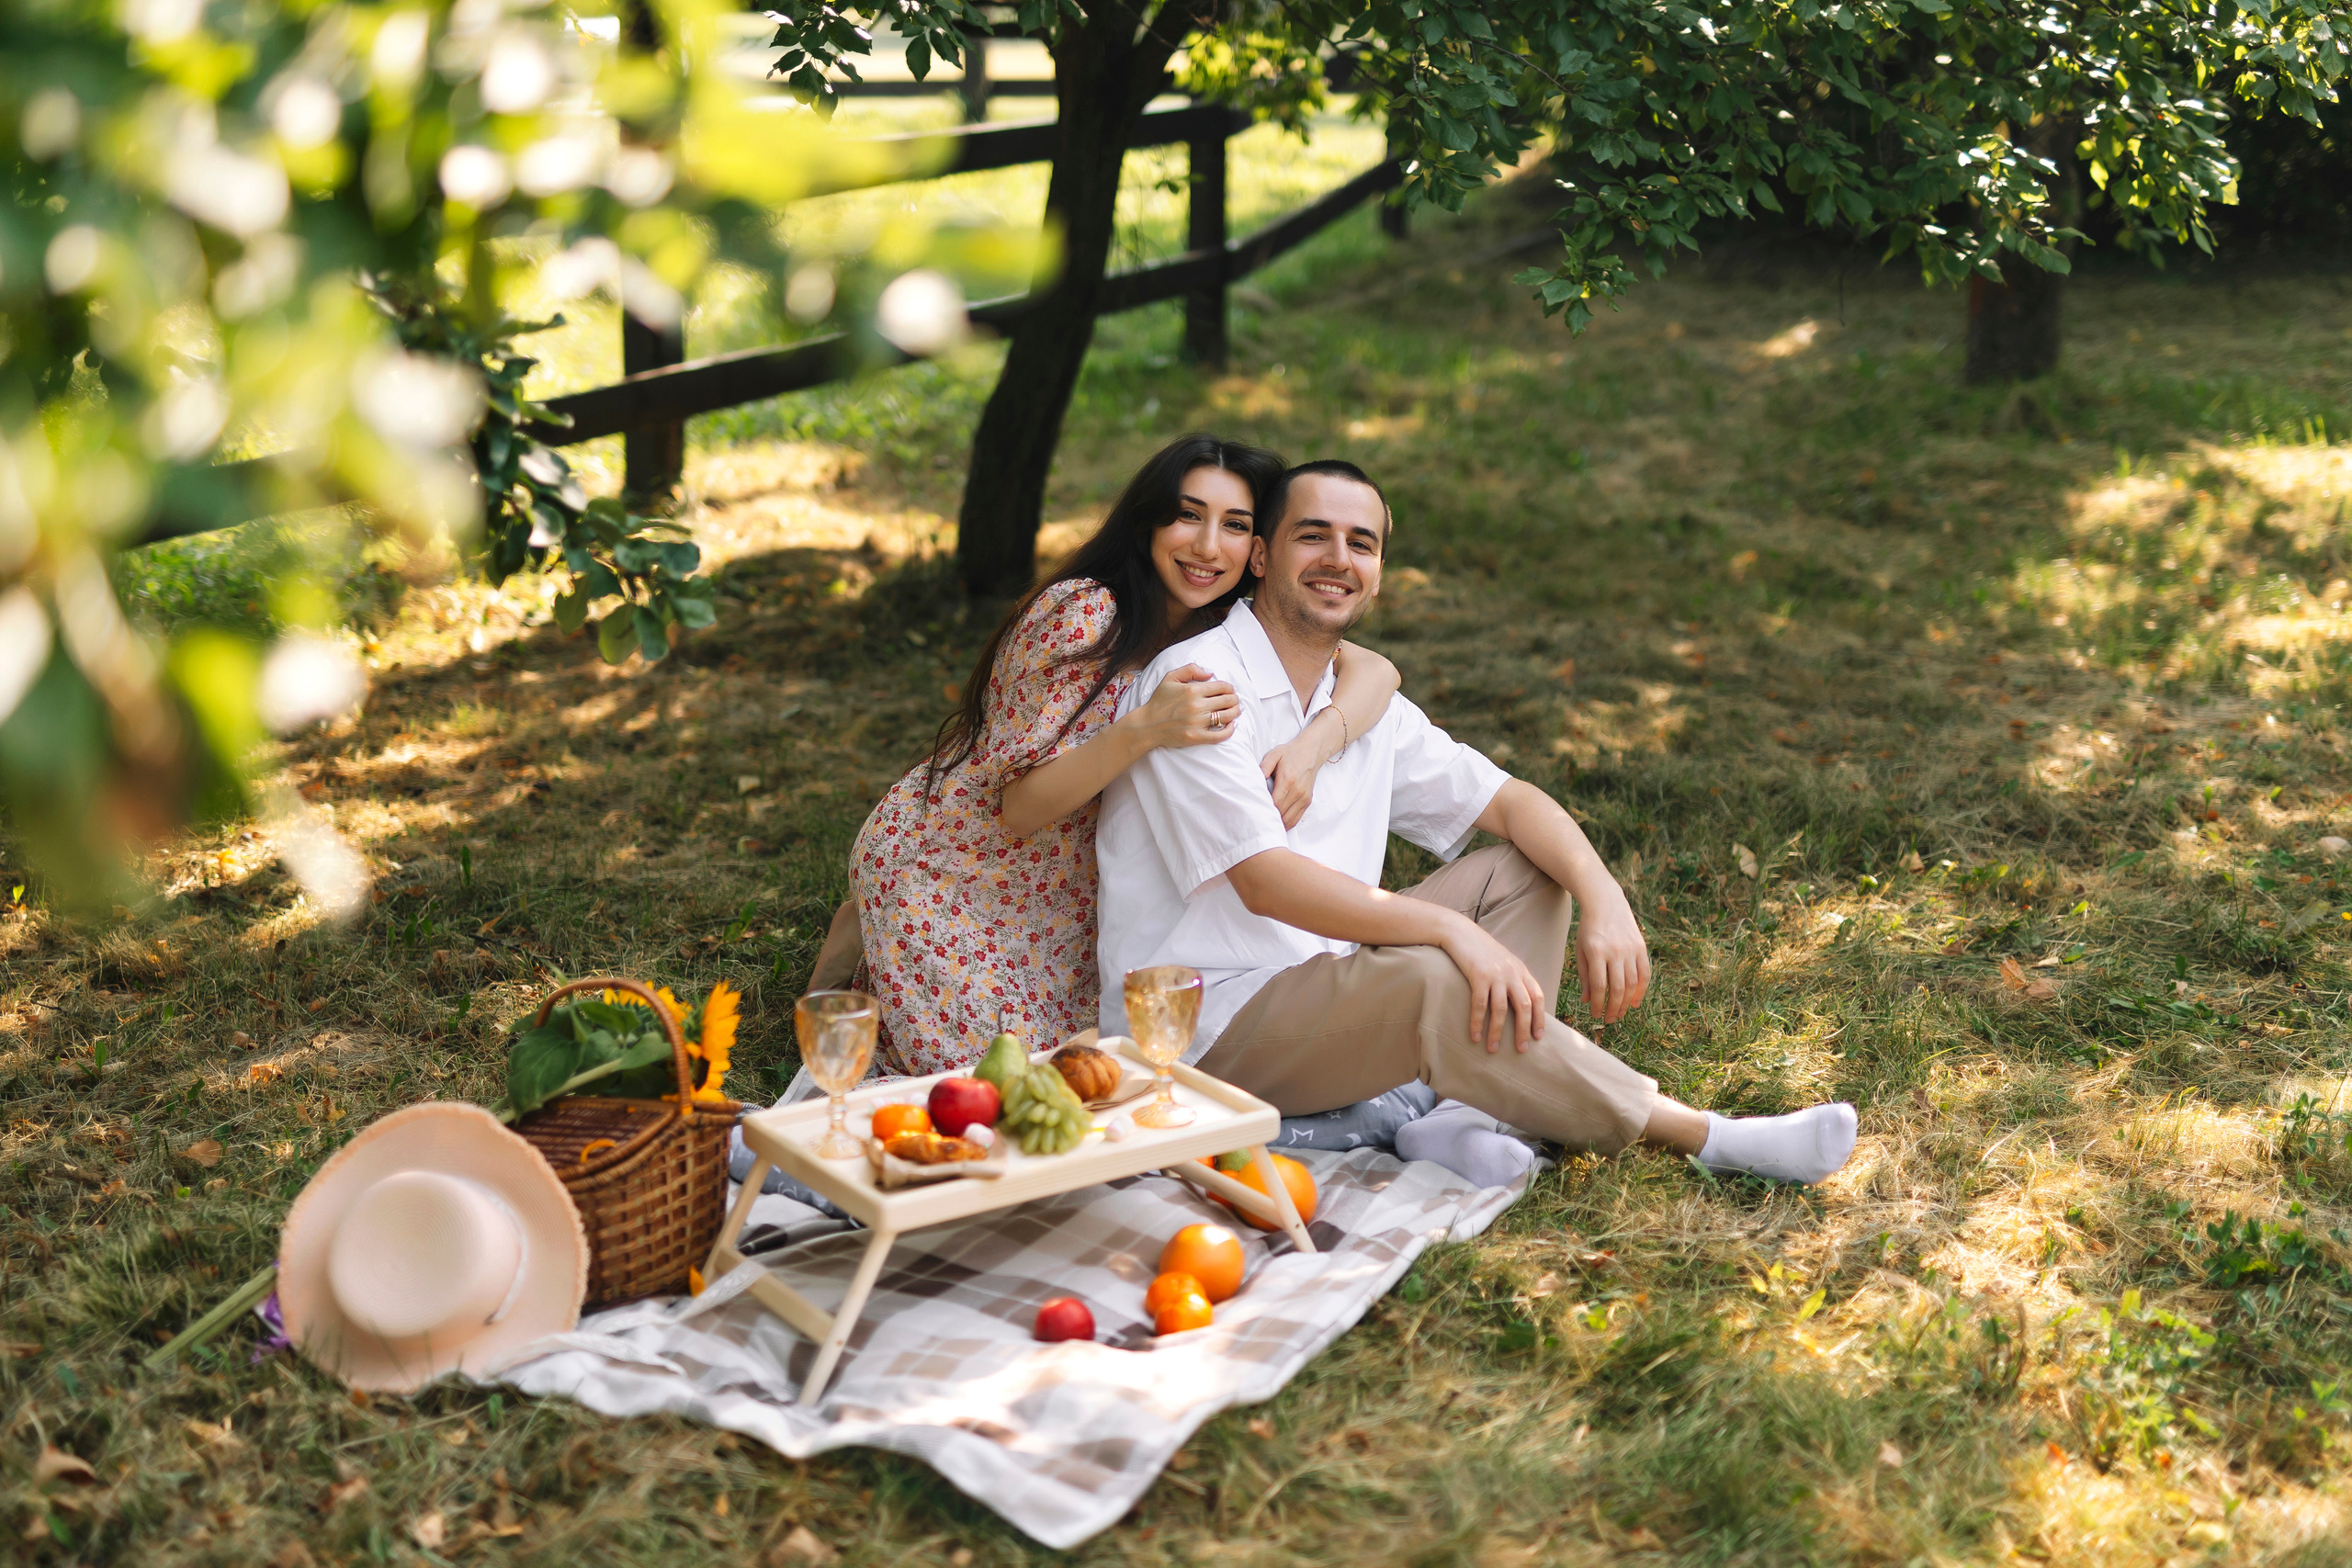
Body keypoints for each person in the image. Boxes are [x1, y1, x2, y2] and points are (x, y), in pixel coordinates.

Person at [1095, 460, 1860, 1185]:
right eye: (1312, 535)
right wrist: (1451, 932)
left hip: (1322, 981)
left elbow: (1513, 802)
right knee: (1432, 974)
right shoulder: (1199, 686)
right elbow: (1264, 883)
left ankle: (1463, 1116)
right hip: (1207, 1026)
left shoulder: (1358, 703)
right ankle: (1708, 1136)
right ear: (1261, 557)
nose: (1338, 558)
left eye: (1361, 543)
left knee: (1535, 867)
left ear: (1379, 573)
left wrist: (1604, 896)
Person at [832, 435, 1403, 1077]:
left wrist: (1312, 743)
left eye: (1235, 525)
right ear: (1148, 520)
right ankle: (868, 934)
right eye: (1188, 515)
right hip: (960, 868)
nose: (1208, 546)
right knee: (997, 1090)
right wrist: (1144, 728)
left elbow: (1376, 670)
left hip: (1066, 894)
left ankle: (859, 957)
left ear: (1260, 547)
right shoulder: (1084, 613)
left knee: (1095, 1080)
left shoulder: (1219, 625)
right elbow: (1018, 809)